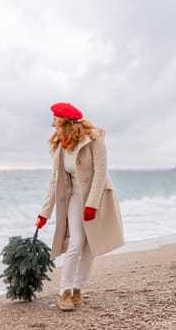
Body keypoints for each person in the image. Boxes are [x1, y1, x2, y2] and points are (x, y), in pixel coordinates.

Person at [35, 102, 125, 311]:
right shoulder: (59, 145)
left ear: (66, 121)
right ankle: (64, 291)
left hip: (97, 196)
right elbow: (54, 181)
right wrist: (44, 212)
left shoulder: (94, 138)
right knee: (76, 241)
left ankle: (77, 289)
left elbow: (100, 172)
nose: (52, 124)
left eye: (55, 119)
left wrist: (92, 204)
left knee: (89, 247)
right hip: (74, 197)